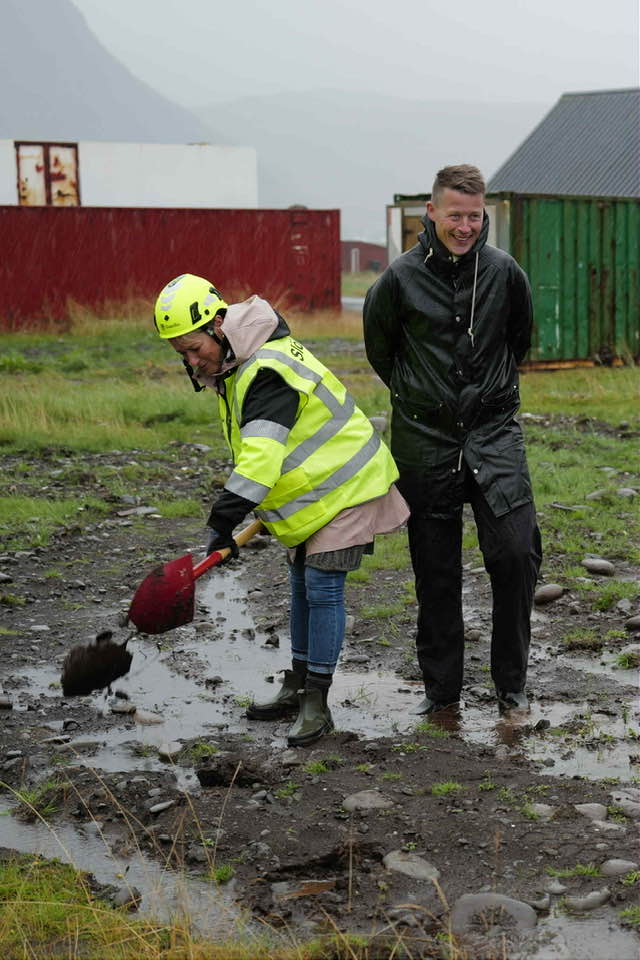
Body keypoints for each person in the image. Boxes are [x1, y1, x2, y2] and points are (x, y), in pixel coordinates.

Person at [154, 273, 408, 745]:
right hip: (310, 494)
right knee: (300, 585)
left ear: (217, 325)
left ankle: (317, 703)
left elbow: (260, 461)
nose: (191, 361)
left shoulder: (266, 369)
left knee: (322, 586)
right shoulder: (237, 363)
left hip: (347, 485)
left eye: (193, 348)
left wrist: (221, 523)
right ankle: (297, 685)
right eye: (181, 354)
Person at [363, 164, 542, 716]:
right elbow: (381, 351)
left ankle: (511, 685)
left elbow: (519, 339)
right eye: (454, 216)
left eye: (474, 216)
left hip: (494, 434)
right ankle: (442, 693)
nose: (465, 227)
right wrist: (423, 397)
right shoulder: (398, 279)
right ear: (432, 212)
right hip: (424, 440)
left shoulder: (505, 273)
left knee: (516, 553)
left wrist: (487, 393)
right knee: (436, 571)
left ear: (483, 213)